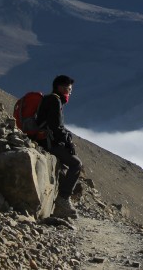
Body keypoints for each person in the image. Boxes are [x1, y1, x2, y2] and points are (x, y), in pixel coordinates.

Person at [35, 74, 82, 218]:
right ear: (60, 88)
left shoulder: (52, 100)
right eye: (68, 89)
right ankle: (63, 200)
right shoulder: (55, 101)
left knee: (63, 167)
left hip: (46, 140)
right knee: (76, 164)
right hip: (48, 142)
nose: (70, 92)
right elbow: (55, 127)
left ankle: (58, 204)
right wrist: (68, 142)